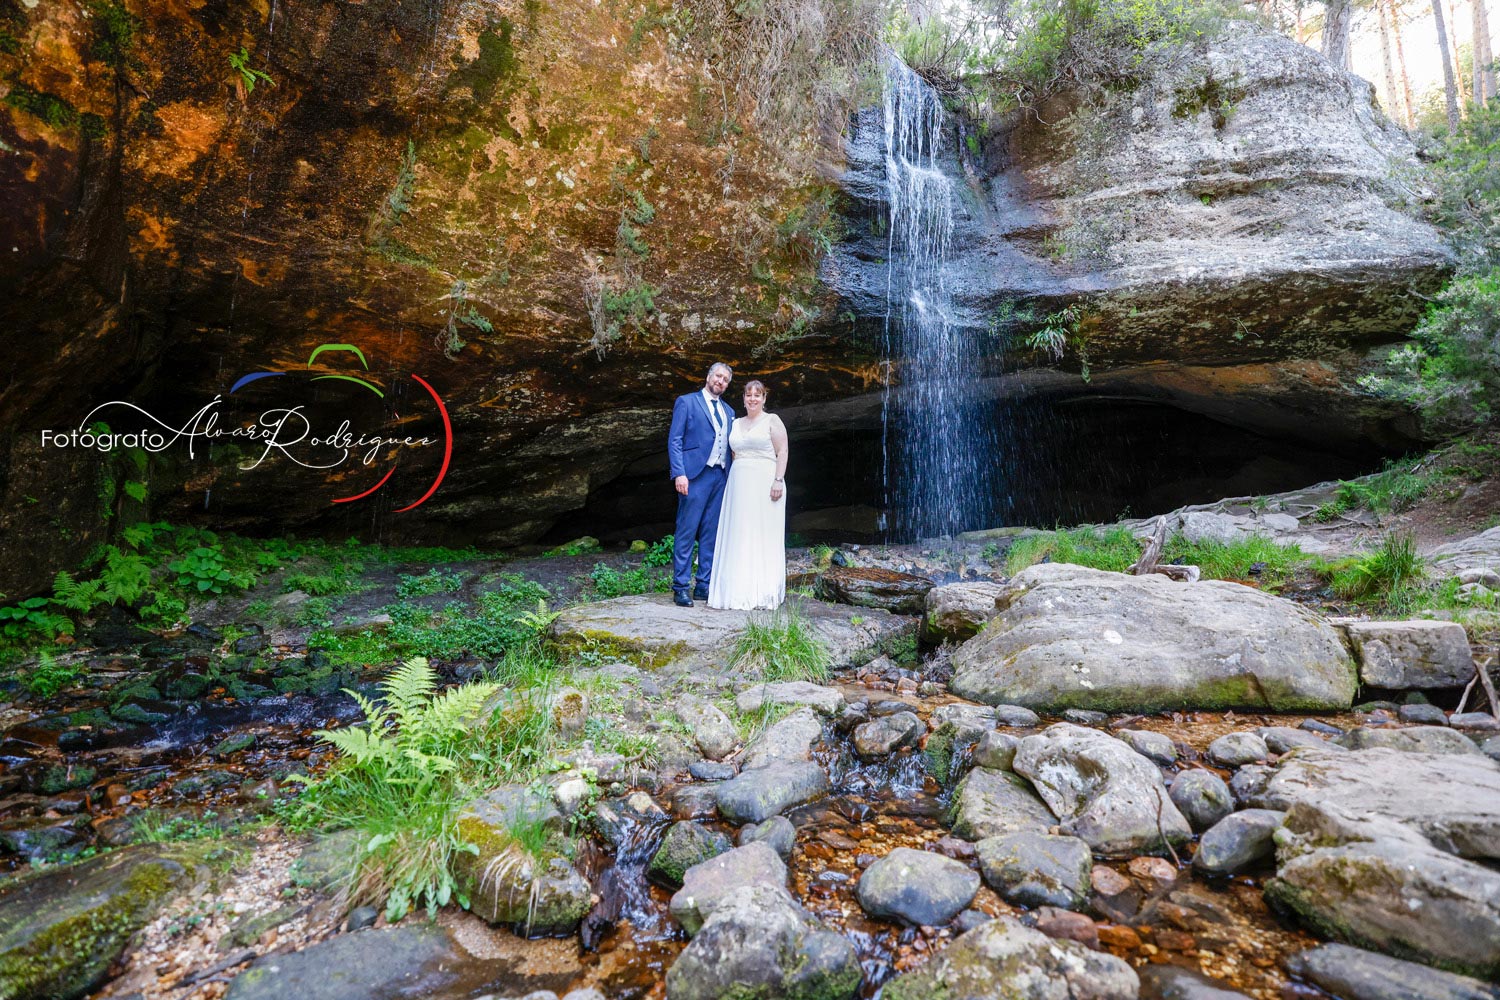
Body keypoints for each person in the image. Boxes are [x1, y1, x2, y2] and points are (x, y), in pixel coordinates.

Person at [708, 380, 788, 611]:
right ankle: (736, 590)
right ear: (743, 398)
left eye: (757, 395)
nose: (753, 399)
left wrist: (778, 480)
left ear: (764, 398)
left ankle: (763, 592)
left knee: (763, 534)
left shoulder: (772, 420)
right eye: (748, 395)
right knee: (739, 532)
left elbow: (782, 451)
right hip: (739, 484)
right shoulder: (735, 423)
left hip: (766, 482)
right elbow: (733, 454)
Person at [667, 362, 734, 607]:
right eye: (718, 376)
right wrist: (679, 473)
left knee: (711, 533)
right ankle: (681, 587)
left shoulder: (729, 411)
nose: (720, 381)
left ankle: (703, 585)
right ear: (708, 376)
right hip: (695, 475)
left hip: (720, 476)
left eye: (725, 380)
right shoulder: (687, 402)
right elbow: (675, 440)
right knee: (687, 530)